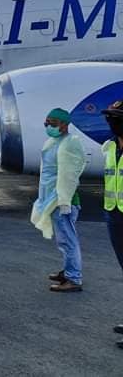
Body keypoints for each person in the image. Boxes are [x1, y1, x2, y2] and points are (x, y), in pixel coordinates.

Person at [30, 108, 86, 292]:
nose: (48, 126)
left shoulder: (71, 143)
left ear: (64, 124)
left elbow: (69, 175)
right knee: (64, 240)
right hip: (52, 197)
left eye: (53, 123)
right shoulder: (53, 142)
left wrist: (64, 201)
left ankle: (74, 278)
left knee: (68, 240)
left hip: (63, 200)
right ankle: (68, 271)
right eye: (47, 123)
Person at [101, 99, 123, 349]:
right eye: (110, 117)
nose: (112, 122)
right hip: (114, 215)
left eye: (117, 117)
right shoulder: (108, 147)